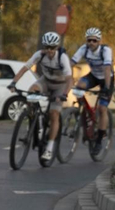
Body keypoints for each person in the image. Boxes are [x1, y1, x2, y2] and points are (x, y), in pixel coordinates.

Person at [7, 31, 73, 163]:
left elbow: (69, 79)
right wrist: (14, 82)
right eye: (46, 47)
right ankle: (34, 121)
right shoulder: (39, 55)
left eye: (52, 48)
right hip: (46, 81)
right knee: (32, 91)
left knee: (54, 114)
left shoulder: (62, 57)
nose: (49, 50)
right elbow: (25, 68)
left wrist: (64, 95)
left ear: (57, 47)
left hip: (60, 85)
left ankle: (49, 147)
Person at [71, 27, 115, 139]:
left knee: (102, 108)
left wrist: (106, 87)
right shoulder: (84, 49)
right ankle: (85, 114)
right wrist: (68, 77)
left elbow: (107, 68)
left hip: (106, 78)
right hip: (94, 76)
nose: (91, 43)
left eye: (94, 40)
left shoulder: (105, 50)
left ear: (99, 41)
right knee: (78, 87)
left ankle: (100, 136)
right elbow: (71, 63)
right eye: (89, 40)